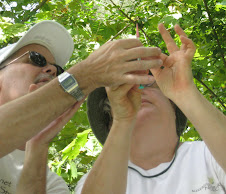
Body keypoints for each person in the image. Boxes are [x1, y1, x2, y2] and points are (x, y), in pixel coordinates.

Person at [0, 20, 163, 194]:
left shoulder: (49, 184)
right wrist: (86, 75)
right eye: (36, 59)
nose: (51, 71)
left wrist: (37, 148)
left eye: (58, 70)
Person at [75, 23, 226, 194]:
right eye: (124, 87)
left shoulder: (209, 156)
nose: (137, 91)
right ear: (110, 124)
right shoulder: (95, 180)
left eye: (149, 83)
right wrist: (123, 120)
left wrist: (185, 93)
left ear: (174, 110)